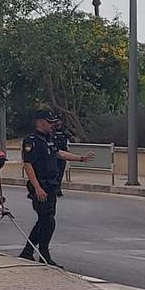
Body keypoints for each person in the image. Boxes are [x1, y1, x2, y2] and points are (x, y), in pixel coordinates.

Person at [20, 111, 94, 267]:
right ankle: (44, 254)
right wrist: (37, 187)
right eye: (49, 122)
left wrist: (81, 158)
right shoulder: (31, 141)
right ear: (40, 122)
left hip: (52, 185)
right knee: (48, 221)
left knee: (44, 220)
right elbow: (28, 165)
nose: (52, 124)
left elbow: (59, 153)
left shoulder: (49, 139)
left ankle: (28, 251)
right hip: (42, 185)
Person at [51, 118, 75, 197]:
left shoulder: (65, 132)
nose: (58, 124)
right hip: (54, 155)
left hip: (63, 155)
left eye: (59, 123)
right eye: (56, 123)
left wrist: (69, 136)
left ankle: (58, 188)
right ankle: (55, 188)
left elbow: (73, 140)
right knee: (55, 172)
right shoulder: (51, 132)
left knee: (60, 172)